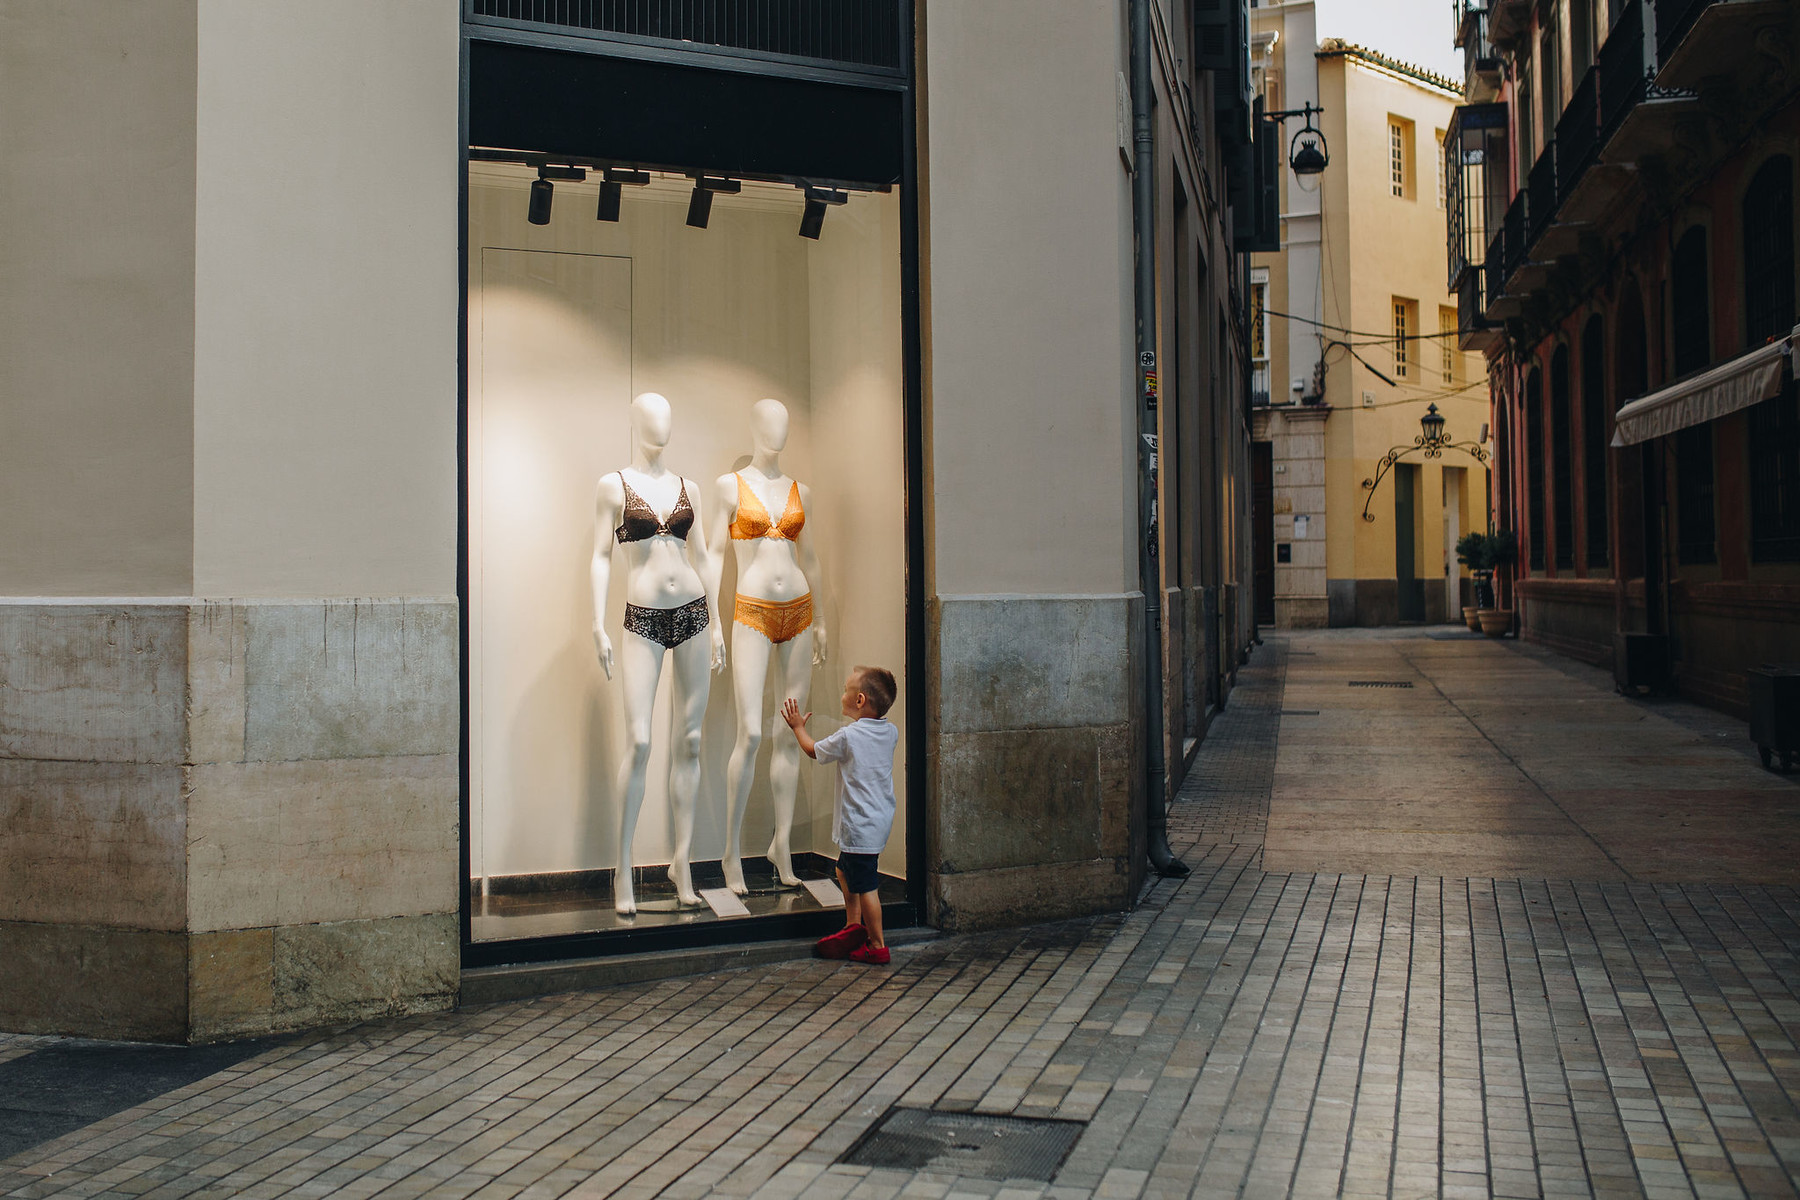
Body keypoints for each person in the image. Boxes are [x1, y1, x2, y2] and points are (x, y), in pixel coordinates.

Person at [781, 666, 899, 965]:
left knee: (867, 886)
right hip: (878, 820)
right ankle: (853, 926)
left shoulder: (849, 736)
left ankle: (877, 945)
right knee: (844, 870)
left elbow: (813, 750)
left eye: (846, 689)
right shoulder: (890, 731)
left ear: (859, 700)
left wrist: (798, 727)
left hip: (860, 825)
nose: (841, 694)